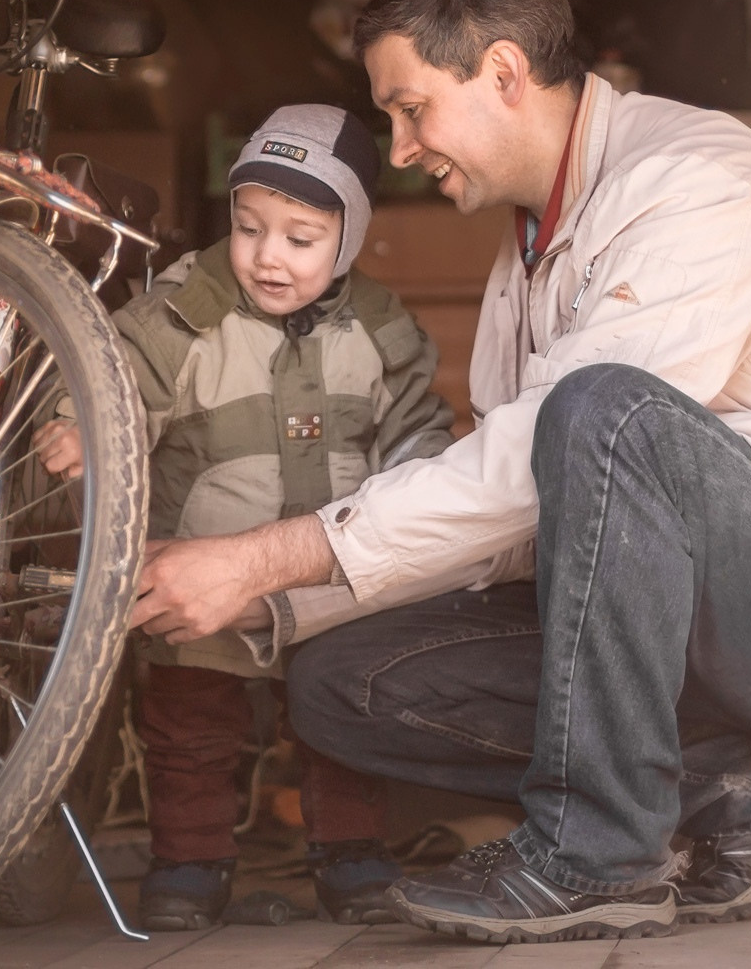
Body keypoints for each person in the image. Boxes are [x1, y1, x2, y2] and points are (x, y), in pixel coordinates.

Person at [124, 0, 751, 944]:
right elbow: (507, 521)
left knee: (597, 411)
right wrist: (263, 604)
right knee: (337, 683)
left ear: (500, 72)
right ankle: (737, 787)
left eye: (409, 110)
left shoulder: (692, 183)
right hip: (708, 637)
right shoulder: (531, 238)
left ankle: (601, 858)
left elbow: (544, 454)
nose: (398, 150)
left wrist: (263, 553)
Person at [37, 104, 457, 930]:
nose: (268, 255)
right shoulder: (191, 305)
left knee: (339, 717)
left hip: (332, 588)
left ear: (350, 237)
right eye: (249, 226)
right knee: (189, 729)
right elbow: (119, 365)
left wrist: (419, 485)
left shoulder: (378, 325)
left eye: (300, 237)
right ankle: (190, 861)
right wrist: (84, 419)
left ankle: (352, 852)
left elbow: (418, 427)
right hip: (202, 583)